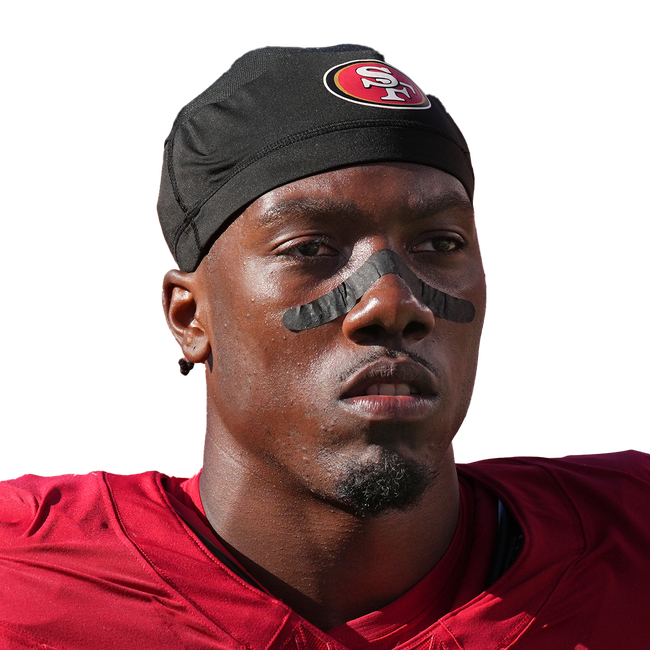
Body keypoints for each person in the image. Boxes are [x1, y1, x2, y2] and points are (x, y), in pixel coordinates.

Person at [1, 44, 648, 650]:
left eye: (440, 244)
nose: (392, 302)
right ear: (190, 317)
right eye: (310, 247)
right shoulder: (23, 577)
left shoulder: (633, 534)